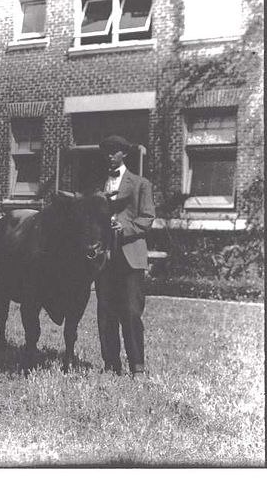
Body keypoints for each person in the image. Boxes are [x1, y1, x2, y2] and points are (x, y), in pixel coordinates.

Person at [95, 135, 155, 378]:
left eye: (114, 151)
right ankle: (111, 364)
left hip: (131, 257)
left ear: (124, 154)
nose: (109, 155)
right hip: (105, 258)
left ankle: (137, 367)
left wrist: (126, 228)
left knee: (131, 312)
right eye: (106, 151)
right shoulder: (98, 185)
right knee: (106, 312)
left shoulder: (140, 184)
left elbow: (148, 217)